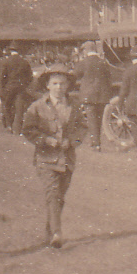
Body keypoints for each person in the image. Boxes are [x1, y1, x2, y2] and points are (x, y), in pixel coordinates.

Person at [20, 69, 83, 249]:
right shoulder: (37, 106)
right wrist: (46, 140)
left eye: (62, 83)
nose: (58, 87)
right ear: (47, 85)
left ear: (68, 86)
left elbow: (82, 127)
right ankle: (57, 232)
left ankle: (50, 232)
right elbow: (28, 130)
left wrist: (72, 141)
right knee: (52, 193)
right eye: (54, 83)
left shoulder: (74, 106)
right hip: (46, 159)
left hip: (67, 159)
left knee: (59, 197)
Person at [72, 42, 114, 151]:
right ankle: (96, 141)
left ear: (85, 50)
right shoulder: (103, 62)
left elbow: (74, 75)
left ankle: (96, 144)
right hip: (102, 95)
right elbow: (109, 77)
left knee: (91, 119)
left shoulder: (83, 62)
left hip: (88, 95)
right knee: (98, 119)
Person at [0, 48, 34, 134]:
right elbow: (30, 77)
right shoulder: (24, 62)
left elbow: (2, 77)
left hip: (9, 88)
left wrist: (1, 89)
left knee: (7, 106)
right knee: (19, 108)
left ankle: (9, 126)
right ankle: (18, 128)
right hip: (21, 88)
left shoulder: (6, 62)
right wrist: (24, 84)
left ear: (10, 52)